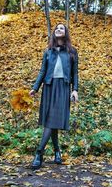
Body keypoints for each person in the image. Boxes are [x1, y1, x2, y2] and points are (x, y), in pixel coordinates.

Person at [29, 23, 79, 170]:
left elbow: (75, 73)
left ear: (65, 33)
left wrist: (75, 89)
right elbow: (42, 71)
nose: (58, 30)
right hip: (49, 87)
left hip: (63, 87)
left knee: (51, 121)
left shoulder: (72, 52)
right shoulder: (48, 52)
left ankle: (39, 153)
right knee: (52, 121)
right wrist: (35, 88)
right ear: (54, 33)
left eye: (61, 28)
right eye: (56, 28)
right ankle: (57, 152)